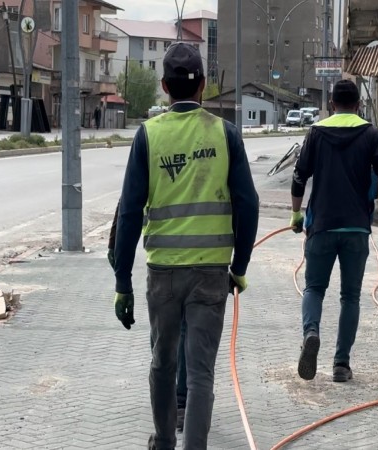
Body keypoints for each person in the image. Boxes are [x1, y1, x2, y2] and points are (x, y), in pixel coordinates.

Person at [111, 42, 260, 450]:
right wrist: (240, 267)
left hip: (163, 272)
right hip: (211, 274)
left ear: (164, 86)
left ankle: (163, 441)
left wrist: (122, 283)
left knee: (163, 363)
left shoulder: (148, 135)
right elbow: (248, 204)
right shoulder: (225, 134)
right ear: (204, 85)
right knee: (200, 373)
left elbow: (128, 213)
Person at [290, 79, 378, 383]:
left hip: (321, 225)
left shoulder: (316, 133)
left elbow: (299, 176)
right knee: (350, 296)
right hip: (356, 228)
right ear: (359, 105)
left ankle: (311, 333)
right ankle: (341, 364)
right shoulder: (370, 134)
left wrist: (296, 214)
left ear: (331, 104)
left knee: (314, 289)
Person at [107, 205, 188, 432]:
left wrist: (114, 246)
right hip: (202, 262)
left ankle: (173, 402)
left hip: (163, 264)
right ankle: (180, 402)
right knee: (182, 332)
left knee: (165, 334)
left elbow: (128, 206)